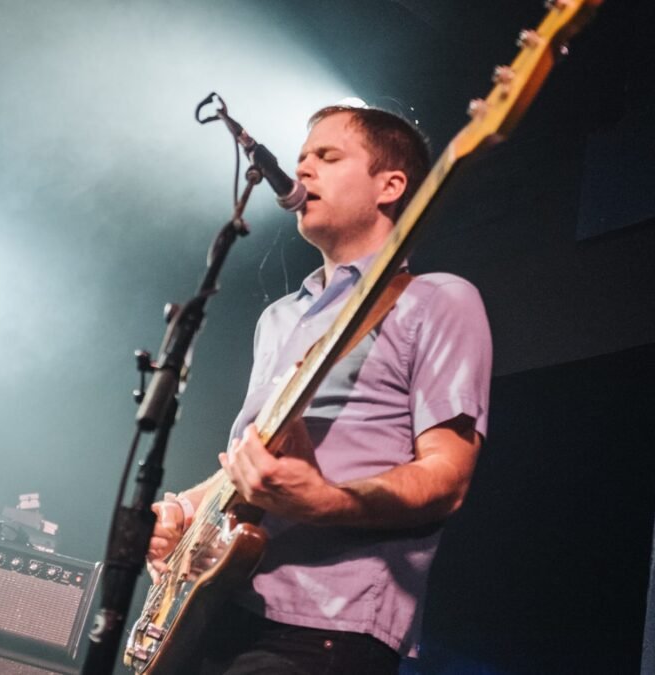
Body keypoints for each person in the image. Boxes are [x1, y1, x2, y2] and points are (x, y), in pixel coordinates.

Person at [147, 105, 493, 674]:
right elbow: (253, 459)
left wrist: (324, 501)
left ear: (390, 186)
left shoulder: (438, 300)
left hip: (327, 627)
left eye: (327, 157)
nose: (302, 169)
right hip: (220, 607)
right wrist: (184, 513)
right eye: (302, 157)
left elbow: (447, 478)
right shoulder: (279, 318)